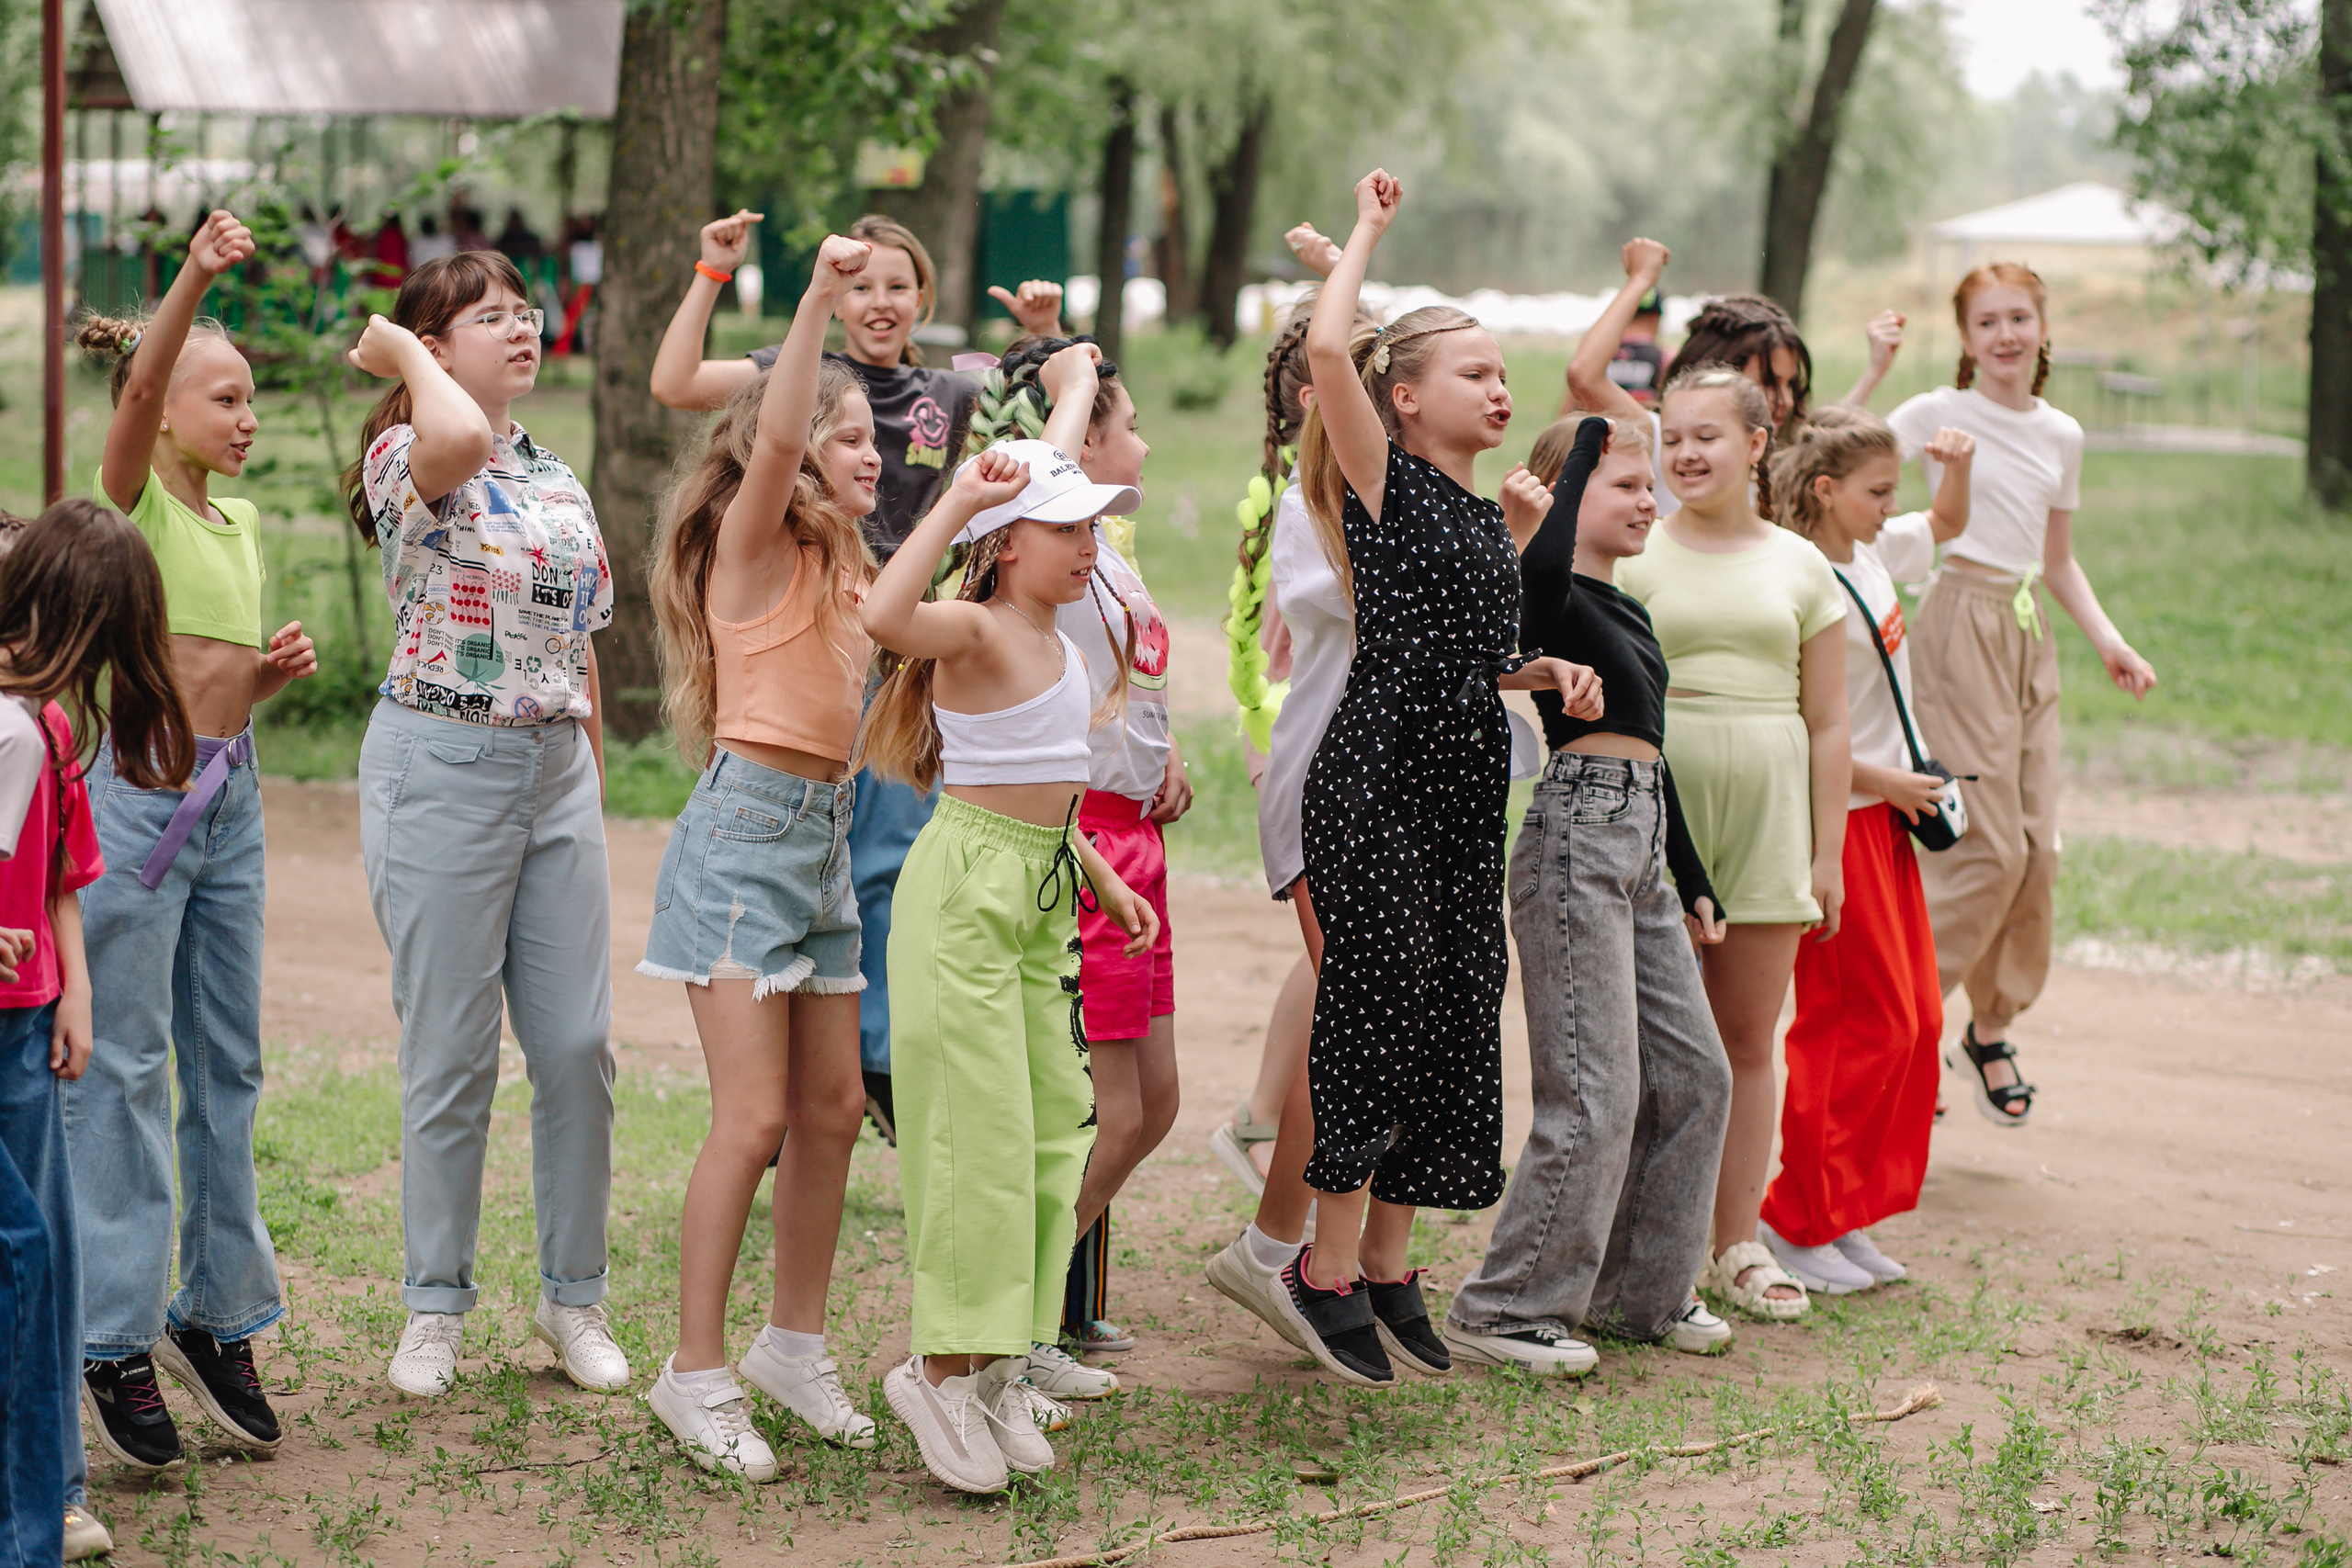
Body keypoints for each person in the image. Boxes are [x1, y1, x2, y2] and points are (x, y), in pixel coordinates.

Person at [1275, 168, 1600, 1386]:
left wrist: (1543, 668)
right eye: (1475, 371)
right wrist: (1366, 231)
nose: (1502, 388)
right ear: (1404, 400)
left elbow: (1470, 651)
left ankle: (1393, 1263)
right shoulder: (1387, 482)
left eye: (1505, 373)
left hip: (1466, 780)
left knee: (1460, 1008)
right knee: (1376, 1007)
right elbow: (1325, 343)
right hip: (1382, 776)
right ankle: (1322, 1263)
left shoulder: (1476, 518)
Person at [650, 210, 1067, 1142]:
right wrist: (711, 273)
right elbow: (674, 382)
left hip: (903, 640)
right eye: (859, 282)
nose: (878, 301)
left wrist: (1040, 343)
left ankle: (864, 1062)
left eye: (898, 284)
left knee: (892, 850)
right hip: (807, 636)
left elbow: (1040, 431)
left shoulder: (949, 386)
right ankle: (830, 1069)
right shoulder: (786, 375)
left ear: (923, 298)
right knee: (846, 852)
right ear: (831, 295)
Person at [344, 251, 627, 1401]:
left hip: (555, 769)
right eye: (484, 317)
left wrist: (589, 777)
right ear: (434, 344)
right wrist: (403, 354)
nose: (520, 327)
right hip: (440, 763)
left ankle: (574, 1300)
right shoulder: (407, 454)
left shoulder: (556, 474)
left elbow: (581, 638)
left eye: (524, 311)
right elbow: (451, 441)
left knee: (575, 1049)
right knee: (450, 1053)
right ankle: (434, 1306)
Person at [856, 440, 1159, 1494]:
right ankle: (938, 1372)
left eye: (1093, 527)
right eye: (1068, 528)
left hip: (1039, 897)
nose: (1089, 546)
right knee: (975, 1143)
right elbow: (883, 619)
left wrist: (1097, 875)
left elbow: (1031, 779)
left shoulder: (1059, 642)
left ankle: (994, 1366)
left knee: (1048, 1138)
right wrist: (952, 506)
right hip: (964, 903)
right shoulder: (973, 627)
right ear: (1003, 542)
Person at [67, 210, 317, 1477]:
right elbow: (148, 382)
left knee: (230, 1059)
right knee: (122, 1062)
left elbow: (225, 687)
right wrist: (198, 276)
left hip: (231, 798)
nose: (245, 417)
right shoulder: (132, 512)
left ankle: (215, 1311)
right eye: (225, 396)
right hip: (139, 802)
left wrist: (269, 677)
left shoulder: (240, 524)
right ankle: (110, 1332)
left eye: (252, 399)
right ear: (160, 407)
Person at [637, 236, 885, 1479]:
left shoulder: (851, 561)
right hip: (742, 844)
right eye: (850, 439)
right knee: (757, 1116)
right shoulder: (752, 541)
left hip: (825, 847)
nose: (868, 455)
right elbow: (776, 435)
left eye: (873, 440)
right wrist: (813, 301)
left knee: (835, 1108)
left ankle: (793, 1341)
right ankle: (695, 1370)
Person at [1441, 412, 1736, 1373]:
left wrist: (1691, 880)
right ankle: (1505, 1306)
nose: (1648, 502)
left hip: (1641, 841)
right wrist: (1570, 470)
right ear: (1567, 493)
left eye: (1651, 487)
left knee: (1696, 1078)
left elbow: (1655, 750)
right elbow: (1532, 584)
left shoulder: (1629, 611)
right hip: (1575, 840)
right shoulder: (1550, 593)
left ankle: (1636, 1298)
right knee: (1595, 1088)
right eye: (1624, 485)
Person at [1886, 265, 2157, 1127]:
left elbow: (2058, 557)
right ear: (1966, 340)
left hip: (2028, 631)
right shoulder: (1936, 413)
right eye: (1988, 321)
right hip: (1958, 621)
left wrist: (2108, 639)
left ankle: (1989, 1025)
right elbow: (1840, 460)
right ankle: (1908, 1024)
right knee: (1989, 848)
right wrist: (1870, 366)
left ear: (2043, 329)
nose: (2006, 334)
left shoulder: (2063, 432)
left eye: (2020, 318)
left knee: (2041, 848)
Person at [965, 336, 1187, 1363]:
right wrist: (1066, 384)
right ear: (1081, 443)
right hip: (1083, 837)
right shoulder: (1036, 562)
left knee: (1156, 1101)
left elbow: (1126, 682)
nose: (1139, 440)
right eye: (1124, 423)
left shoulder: (1109, 560)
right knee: (1103, 1107)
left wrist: (1163, 753)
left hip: (1136, 833)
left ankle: (1049, 1304)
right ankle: (1027, 1314)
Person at [1616, 365, 1849, 1323]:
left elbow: (1829, 722)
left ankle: (1736, 1244)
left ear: (1758, 444)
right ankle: (1627, 1242)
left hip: (1764, 818)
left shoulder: (1802, 565)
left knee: (1747, 1041)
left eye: (1707, 435)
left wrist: (1826, 855)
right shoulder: (1631, 552)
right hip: (1648, 812)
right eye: (1672, 437)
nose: (1685, 454)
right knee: (1640, 1043)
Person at [0, 501, 190, 1567]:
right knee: (23, 1259)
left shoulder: (45, 728)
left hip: (28, 1026)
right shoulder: (13, 727)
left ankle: (48, 1500)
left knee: (42, 1249)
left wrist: (71, 990)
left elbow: (59, 876)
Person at [1757, 407, 1975, 1293]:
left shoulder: (1872, 552)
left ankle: (1844, 1213)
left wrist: (1950, 463)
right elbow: (1794, 721)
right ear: (1826, 490)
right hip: (1837, 816)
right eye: (1879, 492)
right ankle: (1794, 1219)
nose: (1894, 506)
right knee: (1854, 1025)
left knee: (1916, 1020)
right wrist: (1883, 780)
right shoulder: (1796, 576)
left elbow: (1950, 521)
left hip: (1883, 819)